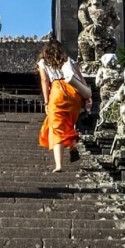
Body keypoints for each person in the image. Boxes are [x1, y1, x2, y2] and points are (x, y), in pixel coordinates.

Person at [36, 36, 87, 173]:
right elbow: (81, 79)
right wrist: (87, 96)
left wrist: (46, 101)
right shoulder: (69, 60)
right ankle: (72, 144)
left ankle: (59, 164)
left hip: (58, 91)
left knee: (56, 128)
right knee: (68, 123)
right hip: (74, 92)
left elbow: (44, 80)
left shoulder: (43, 62)